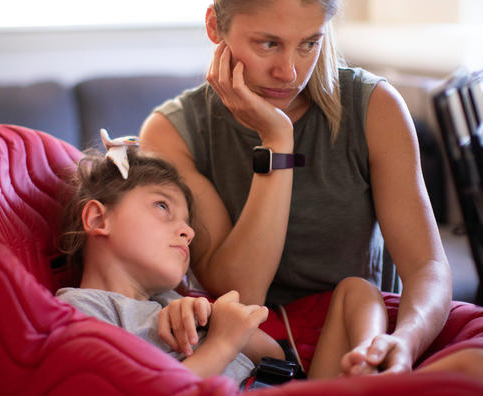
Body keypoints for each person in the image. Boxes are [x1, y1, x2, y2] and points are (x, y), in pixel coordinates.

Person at [139, 0, 450, 375]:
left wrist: (404, 341)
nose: (289, 71)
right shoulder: (172, 133)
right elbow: (242, 292)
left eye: (310, 43)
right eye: (268, 44)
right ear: (215, 27)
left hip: (355, 343)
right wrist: (277, 143)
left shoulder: (375, 108)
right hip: (248, 350)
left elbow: (427, 268)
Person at [54, 131, 391, 383]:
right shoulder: (84, 311)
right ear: (99, 219)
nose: (188, 232)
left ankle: (369, 363)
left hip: (291, 383)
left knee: (356, 290)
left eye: (187, 222)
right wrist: (222, 343)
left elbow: (276, 356)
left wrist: (216, 317)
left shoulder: (171, 301)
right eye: (162, 207)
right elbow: (158, 391)